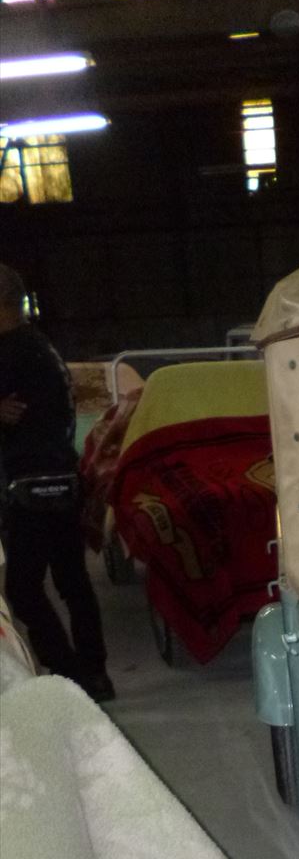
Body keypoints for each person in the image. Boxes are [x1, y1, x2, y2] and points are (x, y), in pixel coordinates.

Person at [0, 263, 114, 702]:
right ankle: (95, 673)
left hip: (29, 483)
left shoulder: (11, 352)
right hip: (64, 478)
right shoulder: (42, 348)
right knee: (73, 582)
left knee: (23, 589)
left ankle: (68, 673)